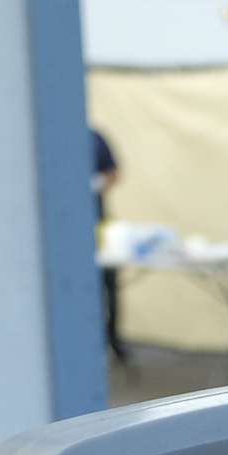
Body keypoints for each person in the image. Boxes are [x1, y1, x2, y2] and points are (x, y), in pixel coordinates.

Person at [93, 125, 125, 364]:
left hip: (97, 224)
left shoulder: (94, 138)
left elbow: (114, 172)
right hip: (68, 231)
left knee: (109, 286)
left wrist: (97, 183)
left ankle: (113, 341)